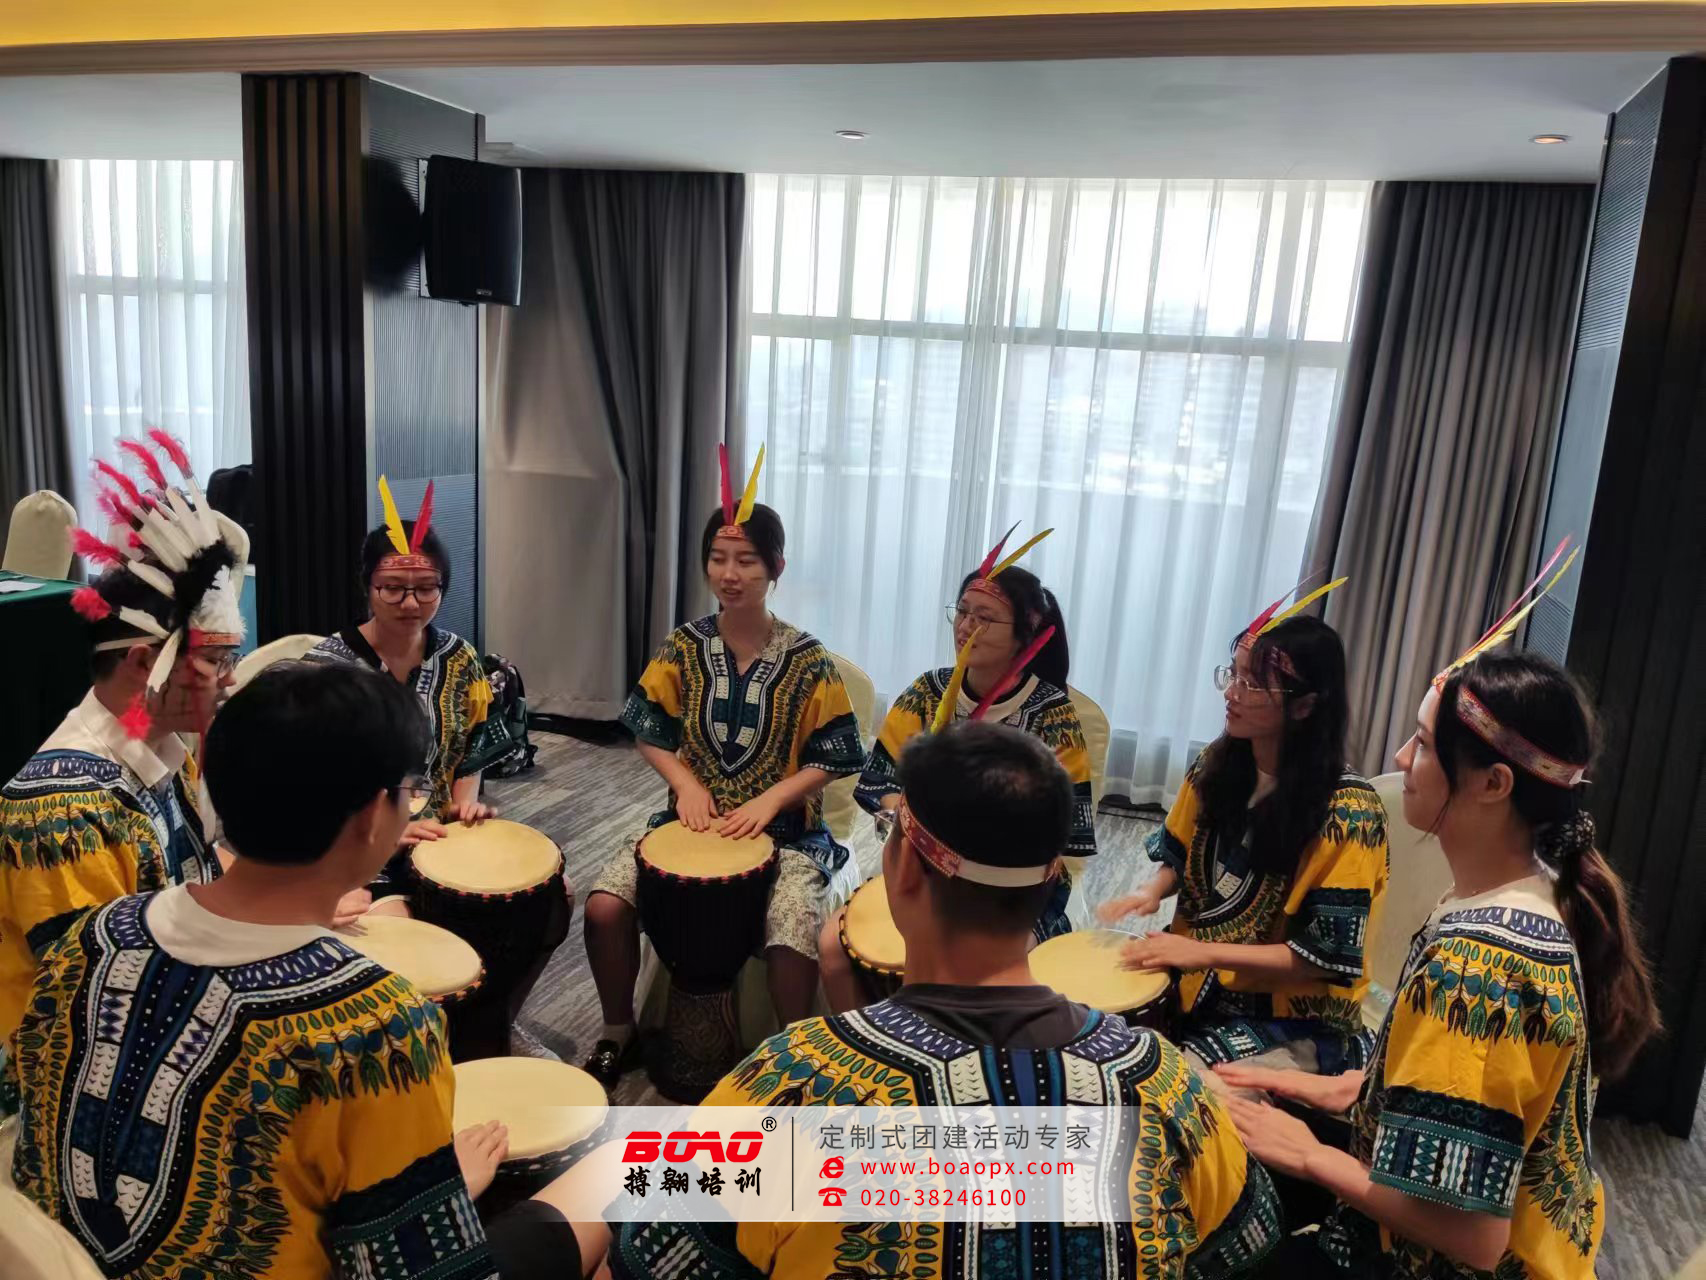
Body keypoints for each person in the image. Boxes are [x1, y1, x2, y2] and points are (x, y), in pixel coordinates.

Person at [609, 721, 1280, 1279]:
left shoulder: (793, 1085)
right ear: (1049, 880)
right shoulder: (1166, 1086)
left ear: (903, 866)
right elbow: (1250, 1245)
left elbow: (652, 1256)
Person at [8, 662, 610, 1279]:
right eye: (406, 792)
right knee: (621, 1173)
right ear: (372, 817)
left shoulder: (94, 935)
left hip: (58, 1261)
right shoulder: (376, 1025)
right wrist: (445, 1181)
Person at [1221, 651, 1660, 1279]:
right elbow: (1448, 1091)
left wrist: (1311, 1154)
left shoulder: (1480, 967)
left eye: (1424, 744)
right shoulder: (1527, 893)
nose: (1402, 759)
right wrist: (1329, 1088)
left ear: (1493, 784)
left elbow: (1473, 1237)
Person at [582, 447, 864, 1090]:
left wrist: (773, 800)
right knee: (603, 907)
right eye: (717, 558)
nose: (729, 574)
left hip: (787, 835)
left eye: (747, 561)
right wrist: (683, 783)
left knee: (791, 931)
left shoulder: (809, 658)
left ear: (776, 567)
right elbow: (648, 728)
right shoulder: (684, 645)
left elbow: (837, 753)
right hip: (692, 825)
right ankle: (617, 1030)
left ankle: (794, 1059)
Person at [306, 478, 571, 1057]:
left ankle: (495, 1020)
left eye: (427, 588)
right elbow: (302, 782)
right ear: (367, 586)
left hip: (439, 834)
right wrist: (379, 833)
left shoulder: (460, 657)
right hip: (354, 848)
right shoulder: (324, 669)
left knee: (551, 897)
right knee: (399, 930)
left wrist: (466, 799)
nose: (411, 603)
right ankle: (423, 1050)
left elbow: (471, 745)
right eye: (393, 588)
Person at [0, 432, 242, 1056]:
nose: (230, 679)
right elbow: (98, 997)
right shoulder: (61, 807)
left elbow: (190, 890)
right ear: (142, 662)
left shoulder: (165, 753)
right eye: (217, 660)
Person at [1101, 583, 1389, 1080]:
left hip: (1293, 1017)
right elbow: (1181, 853)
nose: (1231, 693)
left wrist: (1200, 951)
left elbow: (1322, 958)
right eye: (1233, 674)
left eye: (1253, 684)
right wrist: (1151, 890)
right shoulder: (1215, 765)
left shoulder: (1349, 815)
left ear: (1305, 706)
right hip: (1200, 982)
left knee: (1183, 1087)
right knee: (1098, 1036)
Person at [818, 533, 1096, 1010]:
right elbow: (879, 779)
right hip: (924, 868)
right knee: (833, 948)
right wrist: (904, 812)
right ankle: (869, 1040)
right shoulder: (927, 691)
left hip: (1015, 886)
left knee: (976, 974)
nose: (966, 627)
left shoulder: (1053, 716)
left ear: (1025, 633)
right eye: (962, 612)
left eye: (984, 617)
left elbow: (1068, 831)